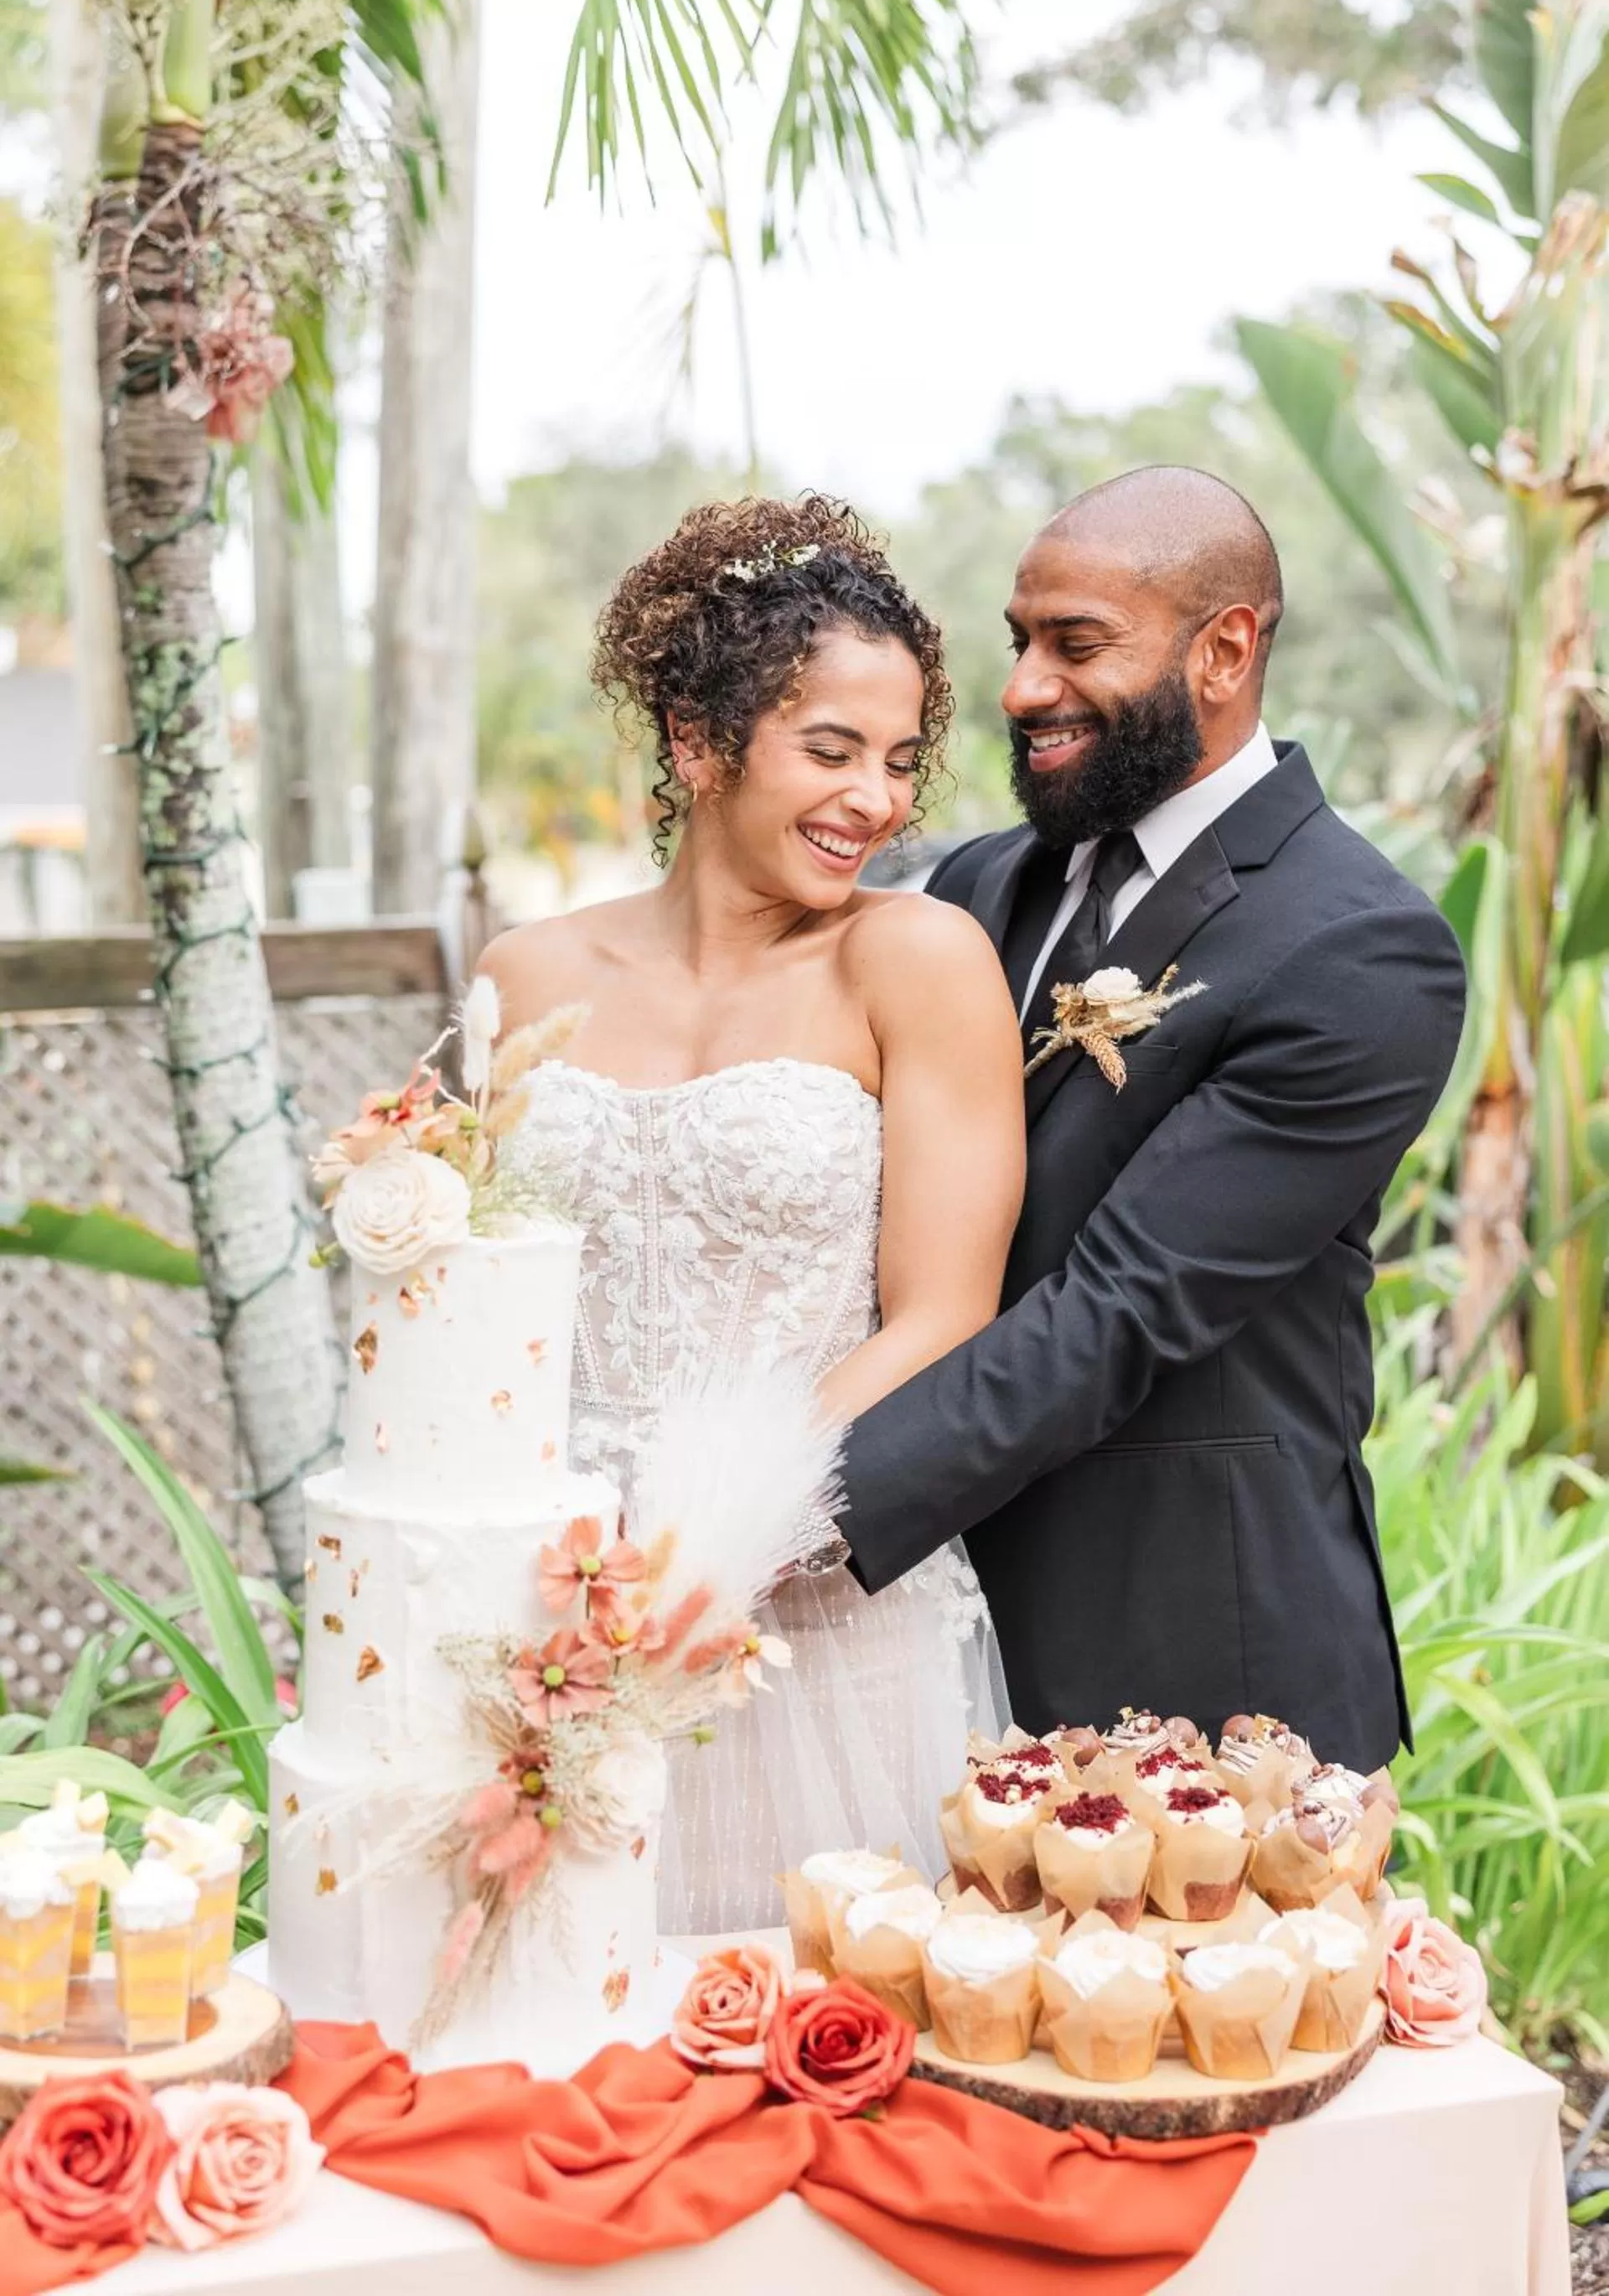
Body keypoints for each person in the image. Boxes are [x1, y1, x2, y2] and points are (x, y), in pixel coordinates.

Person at [832, 465, 1467, 1773]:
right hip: (932, 1636)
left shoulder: (1361, 949)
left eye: (1076, 645)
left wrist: (792, 1505)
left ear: (1225, 649)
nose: (1022, 689)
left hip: (1198, 1671)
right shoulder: (980, 884)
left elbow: (1115, 1311)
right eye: (1020, 642)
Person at [478, 492, 1024, 1932]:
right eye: (831, 749)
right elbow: (471, 1300)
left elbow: (947, 1309)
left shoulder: (915, 961)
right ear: (697, 740)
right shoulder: (526, 977)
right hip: (551, 1604)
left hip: (809, 1613)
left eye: (902, 760)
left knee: (816, 2054)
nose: (878, 799)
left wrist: (718, 1540)